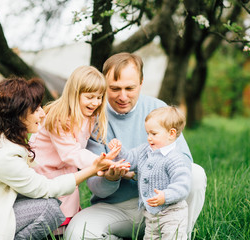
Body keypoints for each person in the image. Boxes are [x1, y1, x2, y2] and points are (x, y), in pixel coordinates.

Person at [0, 77, 119, 240]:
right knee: (49, 208)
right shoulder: (3, 155)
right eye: (35, 110)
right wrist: (93, 168)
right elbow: (46, 189)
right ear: (16, 115)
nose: (42, 114)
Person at [64, 52, 207, 240]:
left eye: (129, 88)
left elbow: (184, 161)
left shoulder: (158, 109)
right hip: (115, 208)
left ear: (141, 83)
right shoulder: (93, 119)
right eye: (114, 89)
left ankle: (177, 235)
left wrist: (140, 172)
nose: (122, 96)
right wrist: (111, 178)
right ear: (104, 85)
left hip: (163, 206)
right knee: (76, 233)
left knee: (196, 174)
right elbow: (95, 186)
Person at [29, 66, 128, 234]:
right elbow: (71, 153)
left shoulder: (89, 116)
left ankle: (65, 232)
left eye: (99, 97)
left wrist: (107, 163)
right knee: (51, 211)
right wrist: (99, 163)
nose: (95, 102)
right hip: (44, 169)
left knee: (69, 205)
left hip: (64, 167)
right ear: (74, 93)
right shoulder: (59, 117)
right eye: (90, 97)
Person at [108, 106, 192, 240]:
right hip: (151, 214)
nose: (149, 138)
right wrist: (119, 150)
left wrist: (166, 196)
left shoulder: (176, 159)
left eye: (154, 134)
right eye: (147, 133)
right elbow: (130, 159)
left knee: (172, 237)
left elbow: (182, 185)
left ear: (171, 133)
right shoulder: (145, 151)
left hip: (172, 213)